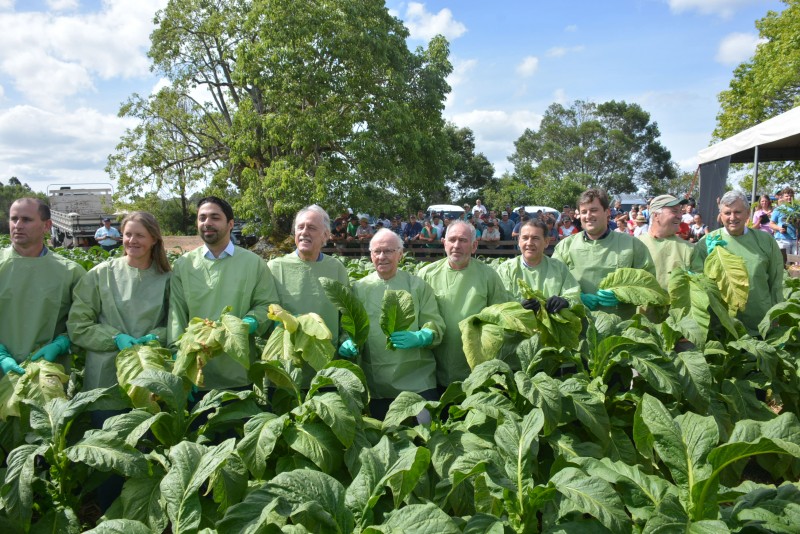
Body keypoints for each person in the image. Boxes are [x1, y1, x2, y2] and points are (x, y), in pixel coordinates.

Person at [168, 196, 278, 391]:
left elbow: (266, 304)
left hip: (238, 370)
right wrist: (178, 355)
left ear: (230, 224)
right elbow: (176, 313)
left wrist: (251, 322)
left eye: (215, 217)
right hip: (197, 370)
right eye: (202, 218)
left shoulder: (253, 263)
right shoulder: (184, 265)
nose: (207, 223)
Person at [340, 229, 445, 420]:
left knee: (423, 437)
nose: (382, 257)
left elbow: (434, 323)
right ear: (370, 255)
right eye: (377, 252)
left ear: (400, 254)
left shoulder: (417, 286)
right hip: (377, 383)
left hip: (417, 380)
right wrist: (349, 340)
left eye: (388, 251)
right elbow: (349, 325)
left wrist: (422, 337)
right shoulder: (359, 288)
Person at [68, 211, 171, 393]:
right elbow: (78, 325)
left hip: (152, 370)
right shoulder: (100, 274)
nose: (132, 240)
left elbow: (177, 323)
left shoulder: (168, 278)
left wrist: (156, 337)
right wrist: (115, 338)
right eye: (128, 234)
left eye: (140, 235)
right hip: (106, 375)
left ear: (154, 239)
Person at [419, 220, 511, 389]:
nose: (456, 245)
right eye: (452, 239)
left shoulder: (489, 276)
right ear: (444, 243)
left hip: (475, 367)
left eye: (463, 240)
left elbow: (500, 318)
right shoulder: (426, 274)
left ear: (474, 245)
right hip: (433, 366)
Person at [0, 199, 86, 378]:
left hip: (48, 374)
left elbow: (85, 320)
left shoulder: (70, 272)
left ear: (47, 225)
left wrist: (63, 342)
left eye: (26, 219)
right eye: (14, 219)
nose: (18, 225)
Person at [268, 206, 350, 386]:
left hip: (326, 365)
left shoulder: (336, 268)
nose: (304, 232)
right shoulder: (275, 267)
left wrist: (347, 339)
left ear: (326, 235)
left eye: (312, 228)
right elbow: (264, 309)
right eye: (300, 227)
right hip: (286, 367)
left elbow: (346, 314)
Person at [691, 190, 784, 334]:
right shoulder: (707, 243)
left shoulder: (765, 241)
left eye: (738, 212)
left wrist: (777, 312)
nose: (732, 217)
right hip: (722, 324)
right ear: (720, 216)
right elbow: (698, 283)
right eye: (727, 213)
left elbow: (776, 280)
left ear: (748, 214)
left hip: (760, 320)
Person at [553, 188, 655, 317]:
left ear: (607, 212)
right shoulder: (565, 246)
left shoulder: (632, 245)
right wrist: (576, 297)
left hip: (622, 325)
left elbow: (649, 283)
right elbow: (554, 281)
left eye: (594, 210)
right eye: (584, 212)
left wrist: (625, 295)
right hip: (578, 325)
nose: (588, 216)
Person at [497, 219, 579, 307]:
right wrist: (518, 307)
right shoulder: (506, 269)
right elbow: (499, 299)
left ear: (546, 242)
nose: (529, 243)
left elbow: (573, 293)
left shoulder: (559, 268)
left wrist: (565, 301)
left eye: (535, 238)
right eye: (525, 238)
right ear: (519, 242)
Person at [636, 195, 694, 290]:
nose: (680, 216)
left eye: (680, 212)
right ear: (656, 215)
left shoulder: (689, 249)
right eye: (674, 211)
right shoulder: (636, 244)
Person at [770, 187, 797, 255]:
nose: (789, 197)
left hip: (795, 239)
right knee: (785, 262)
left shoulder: (797, 209)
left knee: (797, 263)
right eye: (787, 196)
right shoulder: (779, 209)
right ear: (783, 197)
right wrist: (779, 228)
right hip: (782, 239)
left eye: (791, 196)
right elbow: (771, 224)